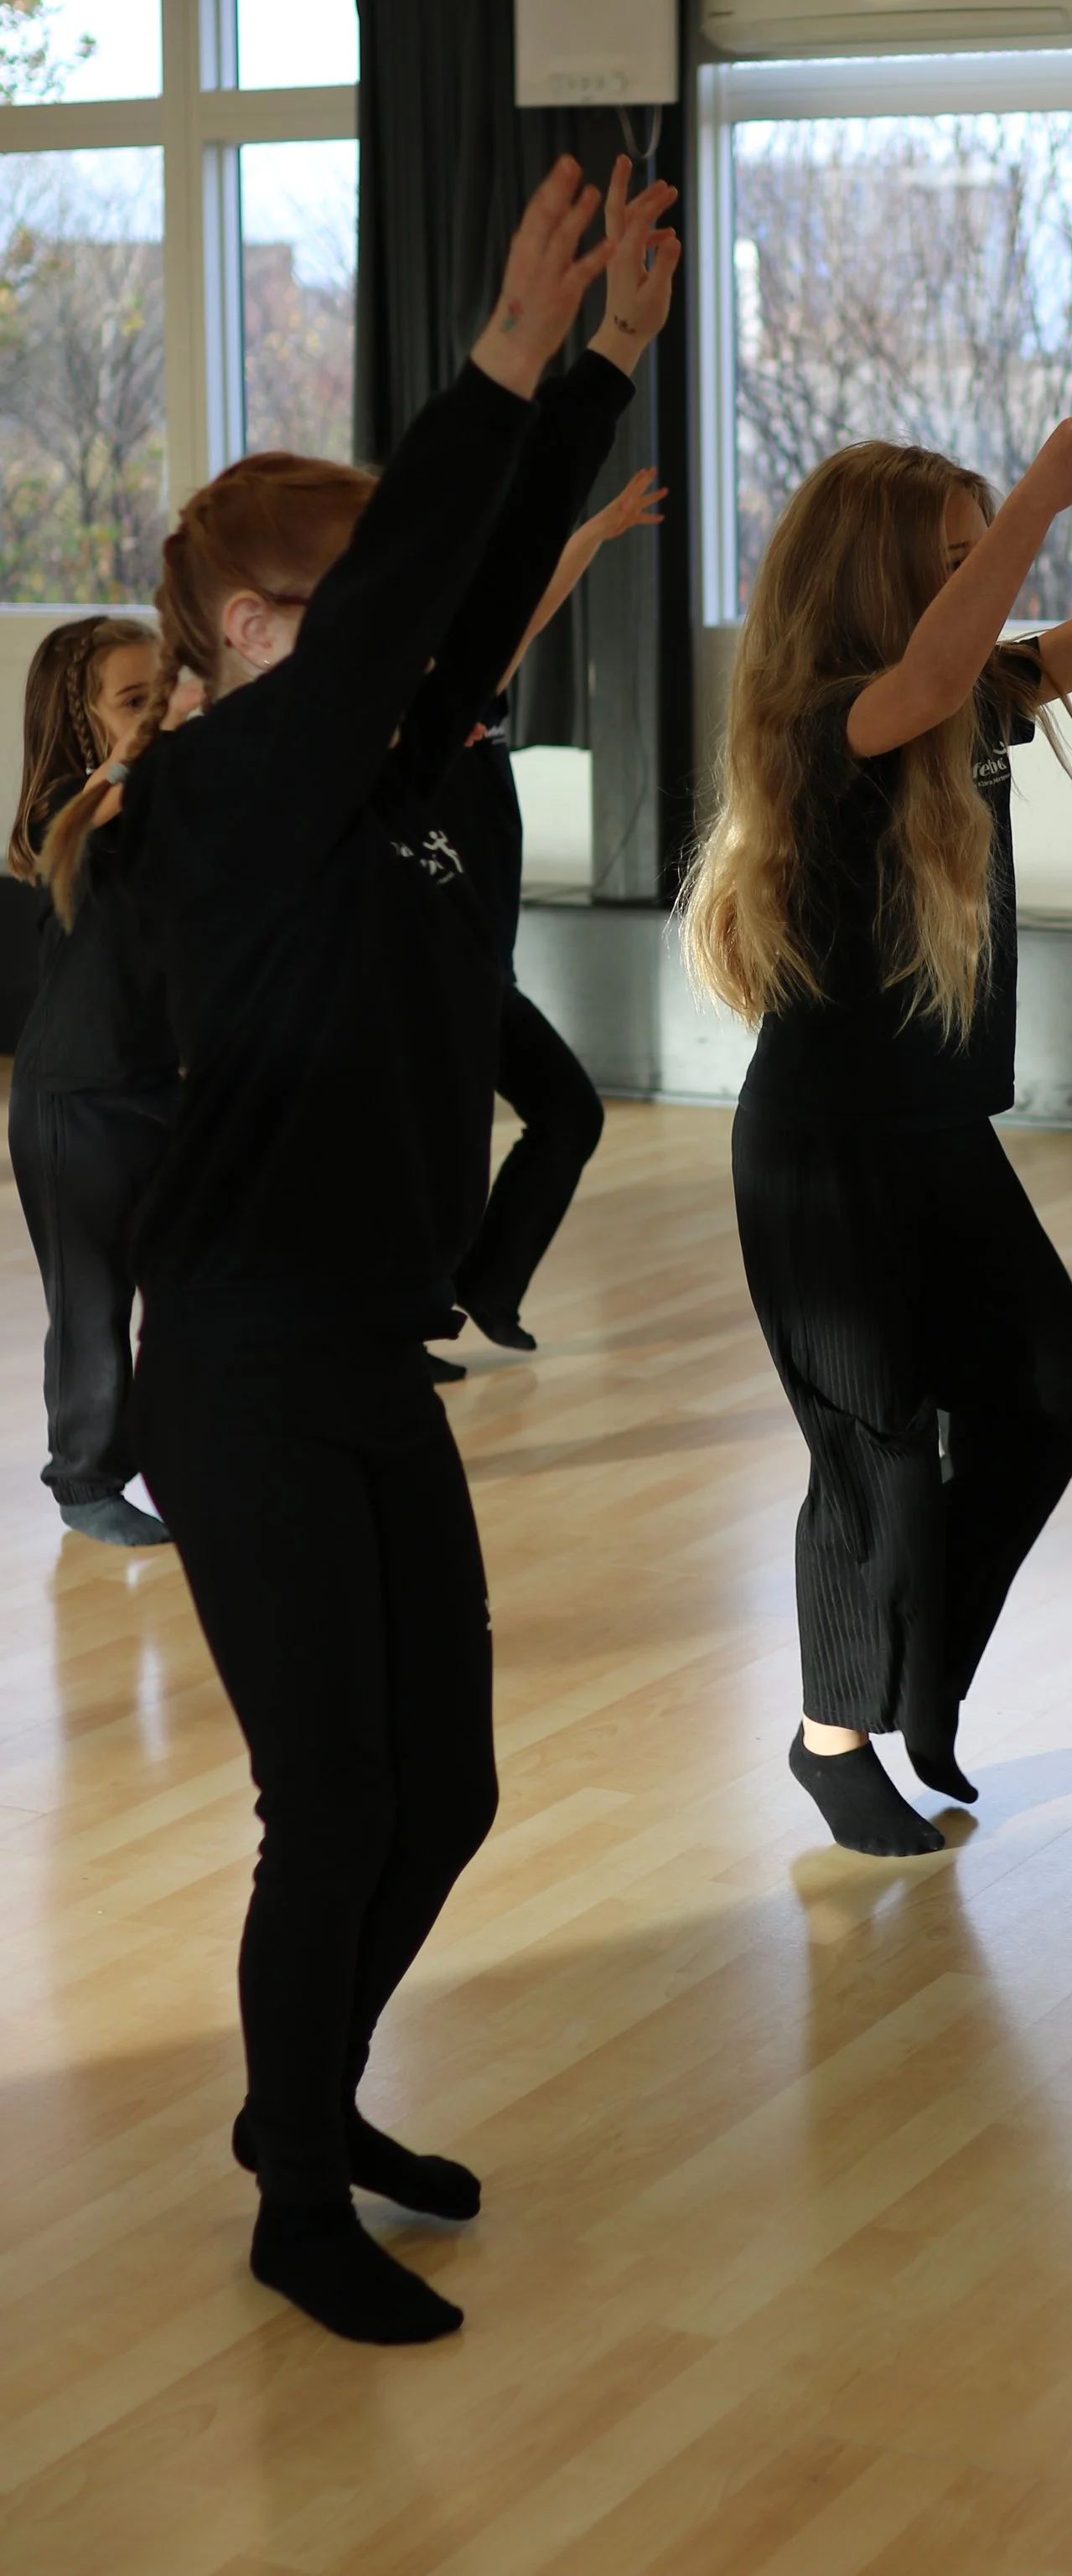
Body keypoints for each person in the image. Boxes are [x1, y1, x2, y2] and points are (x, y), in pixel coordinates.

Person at [41, 156, 680, 2345]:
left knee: (453, 1784)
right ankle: (295, 2190)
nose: (399, 649)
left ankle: (300, 2096)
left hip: (357, 1354)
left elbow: (469, 574)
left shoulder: (385, 755)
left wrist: (594, 371)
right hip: (235, 1364)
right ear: (237, 632)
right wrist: (508, 354)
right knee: (333, 1801)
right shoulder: (223, 798)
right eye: (336, 612)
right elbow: (432, 558)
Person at [686, 330, 1072, 1857]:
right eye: (959, 555)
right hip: (823, 1153)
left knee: (1053, 1389)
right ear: (875, 576)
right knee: (879, 1450)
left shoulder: (975, 697)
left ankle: (926, 1676)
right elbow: (933, 667)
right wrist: (1037, 489)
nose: (991, 576)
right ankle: (837, 1734)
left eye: (985, 550)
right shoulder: (827, 719)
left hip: (936, 1137)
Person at [437, 463, 665, 1363]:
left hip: (485, 976)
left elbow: (524, 613)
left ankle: (486, 1285)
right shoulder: (395, 731)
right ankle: (398, 1322)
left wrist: (594, 534)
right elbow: (524, 612)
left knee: (568, 1114)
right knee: (440, 1161)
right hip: (424, 987)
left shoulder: (478, 696)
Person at [7, 616, 175, 1546]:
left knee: (190, 1282)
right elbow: (77, 823)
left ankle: (181, 1453)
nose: (153, 714)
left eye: (162, 689)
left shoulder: (159, 803)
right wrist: (139, 752)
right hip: (74, 1099)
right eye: (130, 701)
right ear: (81, 721)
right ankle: (84, 1481)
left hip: (163, 1083)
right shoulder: (61, 809)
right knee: (92, 1299)